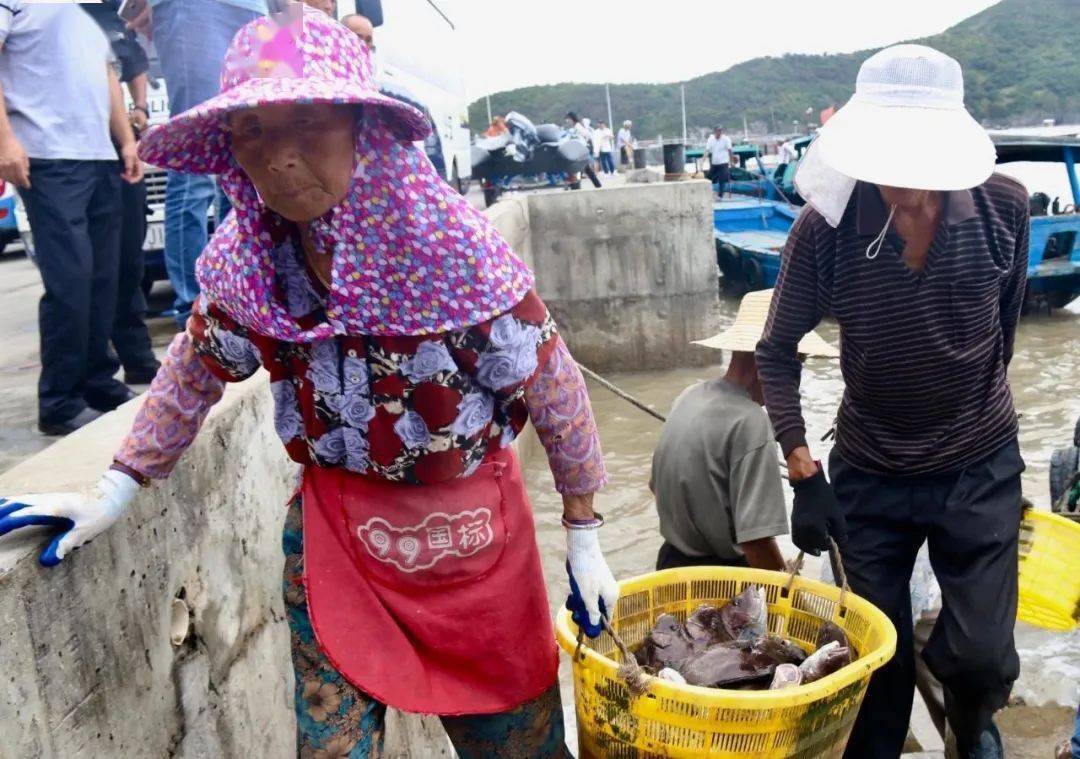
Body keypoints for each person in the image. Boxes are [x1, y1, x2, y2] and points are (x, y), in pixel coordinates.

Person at [0, 10, 617, 757]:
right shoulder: (250, 259)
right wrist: (119, 485)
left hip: (471, 540)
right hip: (340, 542)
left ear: (360, 126)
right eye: (253, 131)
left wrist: (583, 534)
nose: (279, 158)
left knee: (520, 743)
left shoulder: (455, 254)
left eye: (307, 122)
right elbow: (192, 370)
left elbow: (554, 387)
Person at [756, 44, 1029, 759]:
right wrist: (804, 472)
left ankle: (971, 729)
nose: (905, 185)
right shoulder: (825, 229)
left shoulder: (1006, 207)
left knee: (981, 659)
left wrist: (964, 412)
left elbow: (1003, 332)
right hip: (871, 469)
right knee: (876, 667)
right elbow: (775, 354)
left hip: (978, 462)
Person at [0, 1, 143, 435]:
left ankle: (99, 382)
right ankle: (59, 401)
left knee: (106, 277)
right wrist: (6, 141)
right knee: (71, 279)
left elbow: (107, 78)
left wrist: (126, 142)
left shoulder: (83, 15)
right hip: (49, 155)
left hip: (98, 155)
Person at [651, 289, 838, 571]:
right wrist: (784, 586)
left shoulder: (689, 396)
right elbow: (756, 541)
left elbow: (654, 486)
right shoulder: (751, 422)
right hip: (720, 581)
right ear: (779, 363)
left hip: (670, 565)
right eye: (798, 364)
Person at [125, 0, 266, 328]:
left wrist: (291, 17)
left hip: (264, 9)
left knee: (254, 158)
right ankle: (197, 307)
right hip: (195, 6)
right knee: (196, 160)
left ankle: (246, 292)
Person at [84, 0, 162, 385]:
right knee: (92, 268)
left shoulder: (114, 25)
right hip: (78, 153)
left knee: (130, 261)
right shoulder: (57, 18)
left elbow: (134, 67)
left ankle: (137, 355)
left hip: (122, 150)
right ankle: (97, 364)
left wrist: (142, 109)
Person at [566, 112, 601, 189]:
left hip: (580, 151)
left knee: (578, 168)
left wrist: (582, 141)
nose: (567, 121)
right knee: (585, 169)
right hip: (578, 151)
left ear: (571, 119)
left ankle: (574, 185)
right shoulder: (575, 127)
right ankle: (597, 185)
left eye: (568, 119)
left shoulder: (578, 126)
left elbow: (588, 135)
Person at [705, 125, 733, 198]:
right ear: (715, 131)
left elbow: (730, 150)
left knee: (722, 179)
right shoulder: (711, 139)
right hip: (715, 163)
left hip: (724, 163)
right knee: (708, 177)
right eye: (718, 131)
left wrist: (731, 161)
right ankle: (706, 192)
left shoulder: (726, 139)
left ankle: (720, 196)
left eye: (721, 130)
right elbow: (707, 150)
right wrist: (702, 160)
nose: (720, 132)